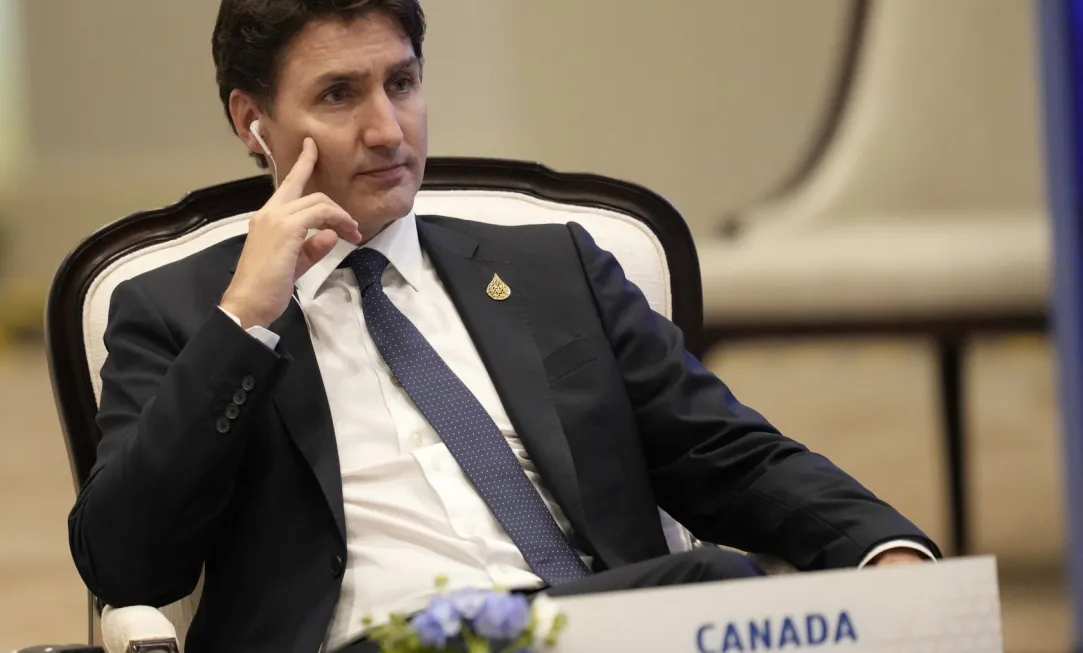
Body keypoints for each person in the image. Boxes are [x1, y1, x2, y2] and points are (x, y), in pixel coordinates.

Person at [67, 1, 939, 651]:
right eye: (338, 95)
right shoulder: (183, 313)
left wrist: (880, 551)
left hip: (611, 626)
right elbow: (128, 564)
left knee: (718, 590)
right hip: (390, 640)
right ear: (250, 121)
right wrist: (244, 322)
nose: (386, 129)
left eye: (401, 82)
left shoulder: (553, 269)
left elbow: (728, 453)